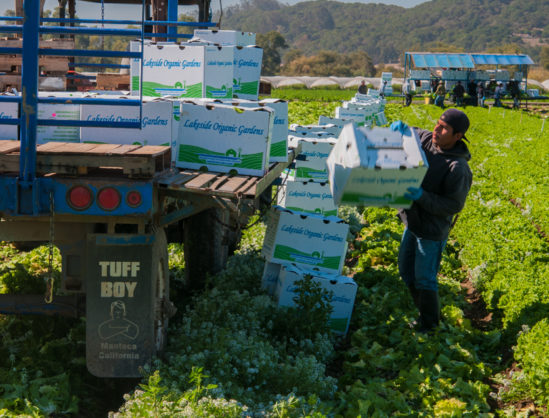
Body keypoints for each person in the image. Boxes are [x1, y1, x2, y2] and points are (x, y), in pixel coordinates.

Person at [390, 109, 473, 333]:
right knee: (406, 270)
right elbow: (414, 133)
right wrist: (403, 128)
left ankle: (430, 325)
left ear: (457, 136)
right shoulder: (428, 139)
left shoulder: (458, 168)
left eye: (444, 128)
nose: (437, 129)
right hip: (413, 222)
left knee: (425, 278)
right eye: (438, 124)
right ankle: (424, 311)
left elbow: (453, 206)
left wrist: (421, 196)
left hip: (432, 230)